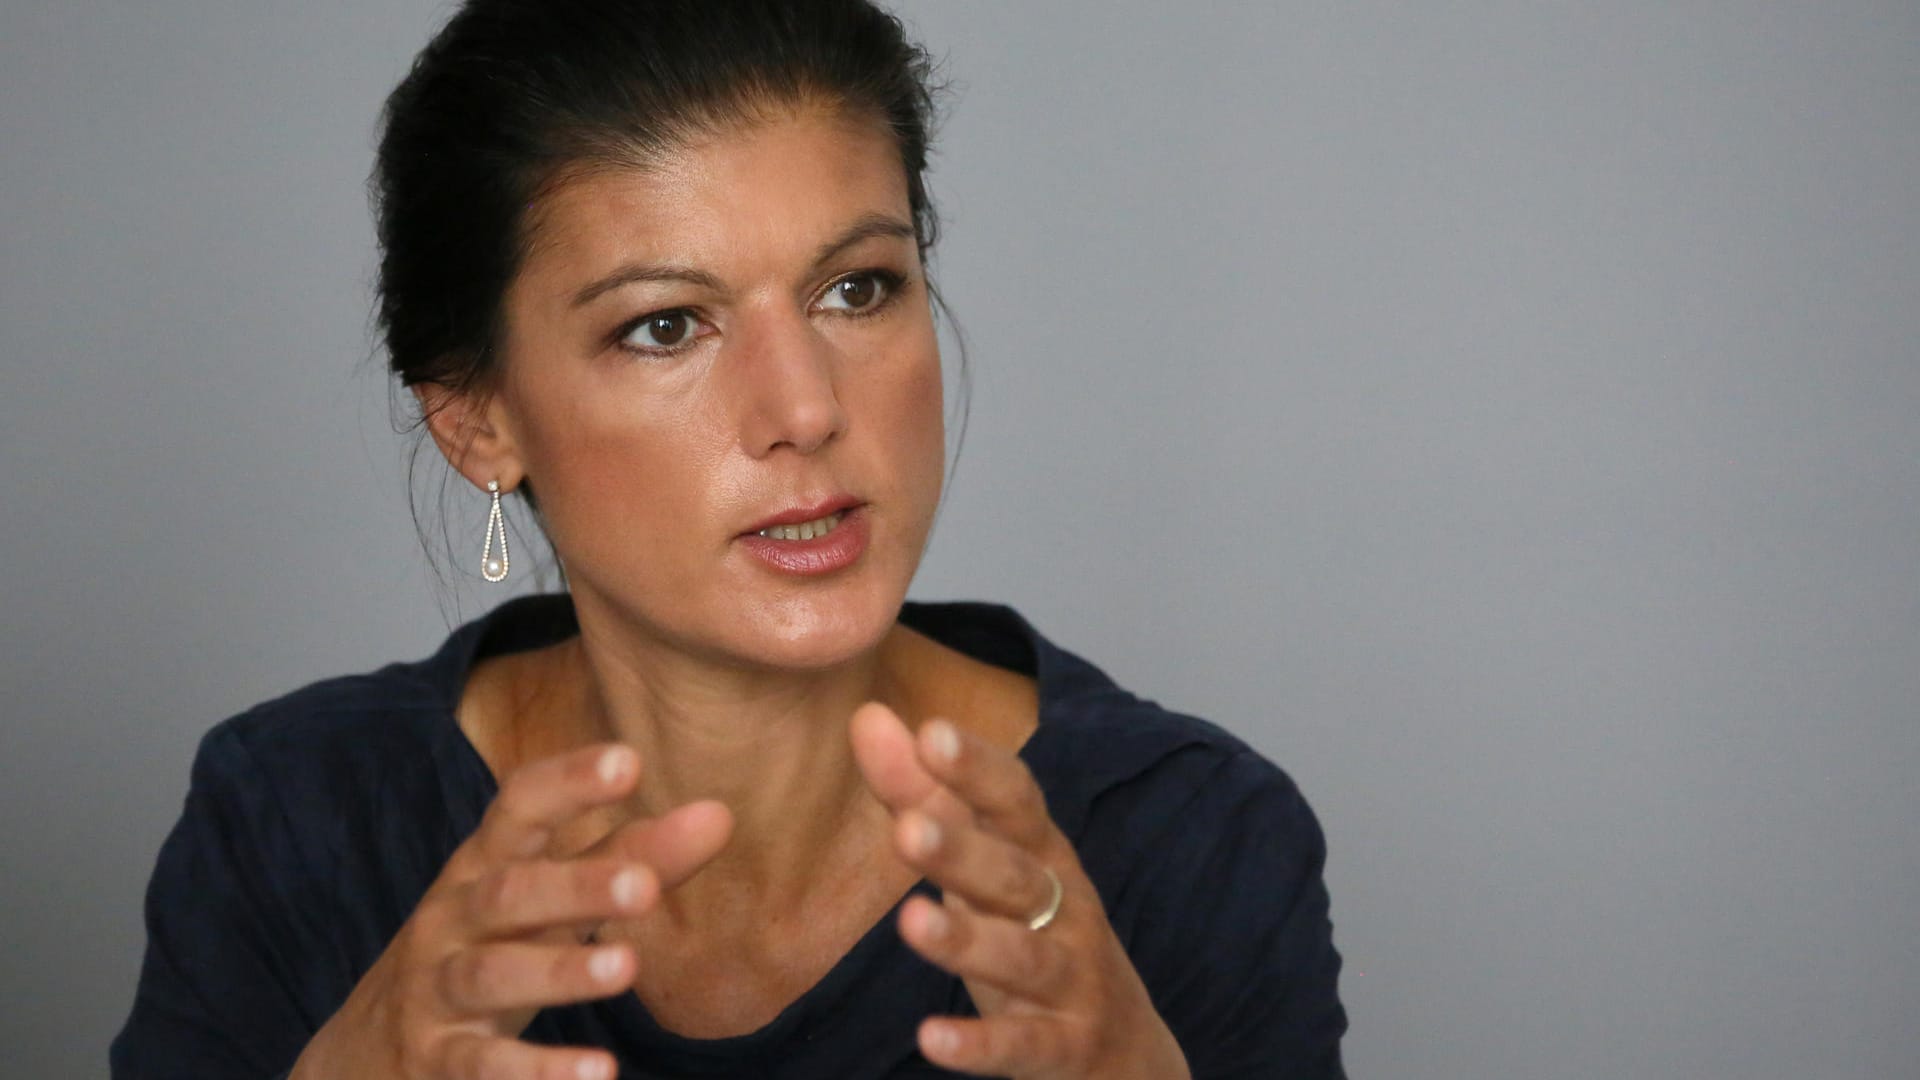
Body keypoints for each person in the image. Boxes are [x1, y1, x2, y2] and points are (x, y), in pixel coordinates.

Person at [109, 1, 1347, 1076]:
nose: (806, 407)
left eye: (855, 289)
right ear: (479, 420)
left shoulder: (1188, 841)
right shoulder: (293, 824)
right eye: (666, 327)